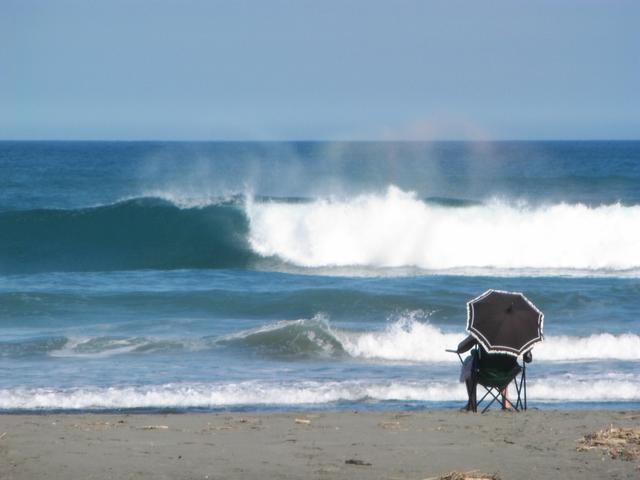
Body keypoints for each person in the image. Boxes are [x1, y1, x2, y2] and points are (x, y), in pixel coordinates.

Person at [456, 335, 532, 411]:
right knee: (503, 364)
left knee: (469, 361)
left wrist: (473, 337)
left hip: (484, 373)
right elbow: (528, 359)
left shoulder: (481, 331)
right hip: (507, 375)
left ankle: (472, 403)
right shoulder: (515, 333)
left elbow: (460, 349)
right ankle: (506, 402)